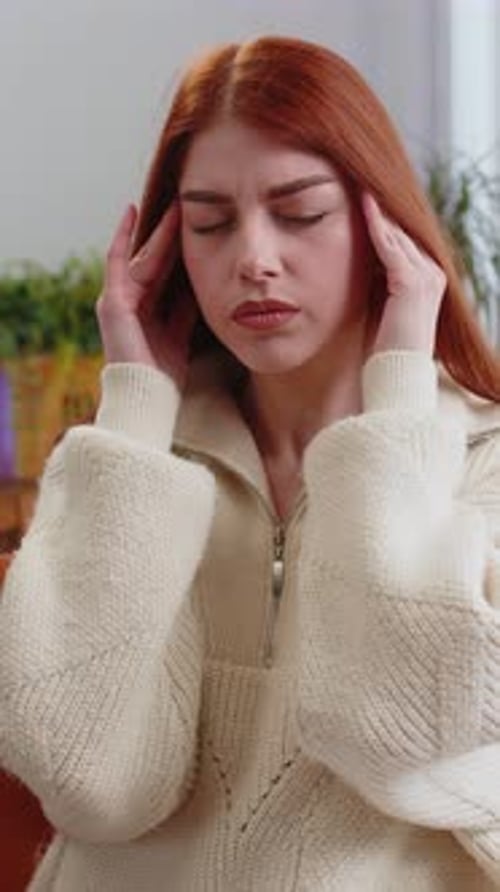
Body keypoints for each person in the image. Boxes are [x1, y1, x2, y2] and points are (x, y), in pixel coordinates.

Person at [1, 34, 500, 892]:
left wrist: (398, 404)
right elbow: (86, 781)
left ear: (387, 229)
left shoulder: (479, 462)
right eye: (210, 222)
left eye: (300, 212)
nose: (254, 258)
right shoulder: (134, 461)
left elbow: (403, 738)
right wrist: (134, 406)